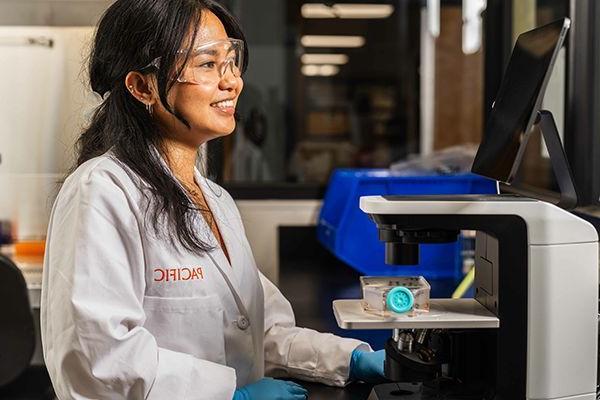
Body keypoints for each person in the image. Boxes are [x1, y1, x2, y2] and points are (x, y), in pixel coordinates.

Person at [40, 1, 385, 399]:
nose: (233, 82)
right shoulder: (103, 191)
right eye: (207, 64)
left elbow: (262, 330)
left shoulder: (216, 199)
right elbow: (98, 359)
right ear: (141, 86)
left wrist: (353, 357)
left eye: (232, 61)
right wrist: (231, 396)